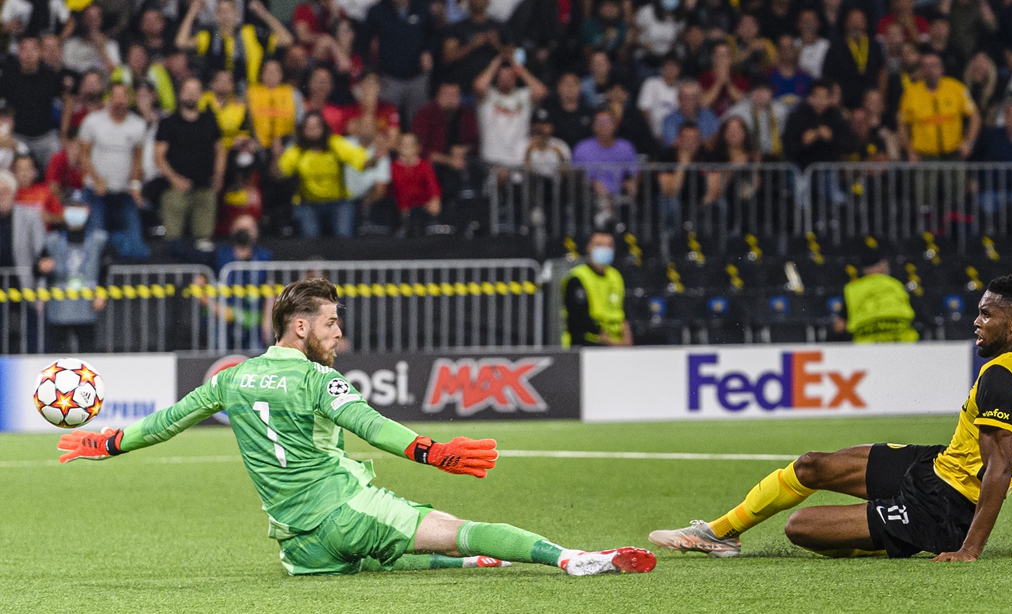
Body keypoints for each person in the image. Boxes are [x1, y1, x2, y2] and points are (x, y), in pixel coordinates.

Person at [57, 277, 657, 577]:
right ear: (298, 328)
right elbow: (372, 426)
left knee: (394, 553)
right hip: (342, 513)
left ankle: (469, 564)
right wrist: (434, 451)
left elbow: (162, 424)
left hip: (298, 547)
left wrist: (106, 441)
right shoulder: (318, 382)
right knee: (459, 528)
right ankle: (575, 558)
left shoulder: (230, 379)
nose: (339, 332)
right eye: (331, 322)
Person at [650, 276, 1012, 564]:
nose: (977, 322)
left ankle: (901, 531)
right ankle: (721, 534)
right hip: (937, 467)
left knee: (801, 528)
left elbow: (998, 468)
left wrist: (971, 549)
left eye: (987, 315)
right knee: (813, 463)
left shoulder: (1001, 376)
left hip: (946, 508)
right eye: (978, 312)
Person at [78, 82, 149, 259]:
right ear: (109, 99)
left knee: (137, 248)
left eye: (123, 96)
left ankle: (116, 244)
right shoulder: (92, 122)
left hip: (124, 192)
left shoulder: (138, 125)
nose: (119, 101)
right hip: (96, 192)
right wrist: (96, 180)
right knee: (96, 241)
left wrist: (135, 185)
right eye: (115, 96)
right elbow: (83, 156)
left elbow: (137, 159)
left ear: (129, 99)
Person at [155, 78, 225, 252]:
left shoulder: (209, 120)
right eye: (188, 90)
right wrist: (174, 179)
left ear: (201, 95)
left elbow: (220, 149)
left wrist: (219, 174)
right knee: (173, 239)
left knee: (204, 241)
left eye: (196, 91)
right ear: (180, 94)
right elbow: (158, 156)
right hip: (175, 189)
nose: (192, 95)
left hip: (205, 187)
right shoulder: (169, 122)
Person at [276, 112, 370, 238]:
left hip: (338, 202)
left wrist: (374, 159)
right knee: (310, 237)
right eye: (309, 128)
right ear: (303, 130)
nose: (313, 131)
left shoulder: (335, 144)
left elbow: (361, 162)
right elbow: (279, 174)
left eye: (316, 126)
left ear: (323, 128)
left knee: (343, 236)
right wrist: (276, 157)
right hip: (308, 203)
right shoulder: (297, 150)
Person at [36, 191, 109, 354]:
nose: (75, 212)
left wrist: (101, 293)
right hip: (59, 306)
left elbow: (104, 270)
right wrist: (42, 267)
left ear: (87, 210)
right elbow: (38, 269)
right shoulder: (52, 239)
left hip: (86, 304)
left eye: (79, 207)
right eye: (71, 208)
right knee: (57, 351)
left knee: (87, 350)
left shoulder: (98, 239)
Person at [176, 0, 294, 85]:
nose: (225, 16)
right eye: (221, 12)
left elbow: (286, 39)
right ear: (216, 16)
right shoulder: (210, 36)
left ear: (236, 14)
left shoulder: (250, 32)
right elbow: (181, 42)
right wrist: (193, 11)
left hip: (249, 91)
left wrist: (263, 14)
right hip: (217, 93)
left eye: (228, 11)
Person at [363, 0, 434, 127]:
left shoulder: (421, 8)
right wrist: (372, 72)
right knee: (386, 122)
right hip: (389, 78)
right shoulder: (377, 11)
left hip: (416, 77)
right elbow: (365, 42)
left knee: (418, 123)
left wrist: (428, 51)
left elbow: (432, 36)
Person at [898, 52, 980, 162]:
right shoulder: (910, 94)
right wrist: (909, 150)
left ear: (941, 69)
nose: (929, 70)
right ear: (921, 70)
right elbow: (902, 124)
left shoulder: (956, 88)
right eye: (925, 66)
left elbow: (975, 116)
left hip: (954, 154)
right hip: (924, 157)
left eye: (933, 66)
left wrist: (969, 143)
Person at [473, 54, 548, 168]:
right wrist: (494, 65)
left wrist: (519, 68)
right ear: (496, 77)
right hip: (491, 159)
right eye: (502, 76)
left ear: (515, 77)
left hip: (518, 159)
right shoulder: (489, 95)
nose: (506, 79)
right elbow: (478, 86)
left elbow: (541, 92)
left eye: (509, 76)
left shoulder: (523, 95)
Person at [1, 36, 63, 170]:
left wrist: (63, 132)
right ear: (18, 53)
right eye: (24, 50)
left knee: (57, 162)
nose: (29, 54)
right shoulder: (8, 76)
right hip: (18, 135)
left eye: (33, 49)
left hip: (46, 135)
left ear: (40, 52)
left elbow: (68, 98)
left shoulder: (50, 76)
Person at [562, 230, 632, 347]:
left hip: (616, 343)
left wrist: (626, 340)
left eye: (609, 246)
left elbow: (624, 311)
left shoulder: (615, 276)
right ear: (588, 248)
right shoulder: (577, 278)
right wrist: (607, 340)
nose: (604, 250)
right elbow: (579, 318)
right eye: (599, 245)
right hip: (588, 342)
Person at [836, 251, 918, 342]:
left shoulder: (852, 289)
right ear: (881, 267)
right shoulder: (896, 285)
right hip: (902, 342)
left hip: (866, 345)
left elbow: (840, 326)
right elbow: (915, 313)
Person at [411, 81, 480, 188]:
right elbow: (420, 148)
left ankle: (474, 201)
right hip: (436, 161)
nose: (450, 99)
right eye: (446, 94)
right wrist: (448, 160)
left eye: (454, 95)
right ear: (437, 97)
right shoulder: (425, 114)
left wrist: (463, 150)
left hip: (462, 159)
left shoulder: (467, 114)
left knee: (477, 166)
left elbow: (475, 142)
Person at [822, 8, 885, 109]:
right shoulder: (836, 46)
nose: (856, 25)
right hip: (844, 103)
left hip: (871, 104)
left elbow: (882, 71)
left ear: (865, 23)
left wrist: (881, 97)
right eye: (853, 21)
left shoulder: (874, 45)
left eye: (860, 21)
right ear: (846, 23)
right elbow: (827, 75)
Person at [0, 169, 48, 293]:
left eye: (5, 192)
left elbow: (41, 254)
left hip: (23, 286)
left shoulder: (30, 217)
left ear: (13, 193)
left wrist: (41, 289)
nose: (1, 197)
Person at [723, 78, 790, 160]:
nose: (760, 94)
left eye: (764, 90)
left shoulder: (781, 111)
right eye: (756, 90)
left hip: (777, 158)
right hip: (749, 158)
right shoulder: (739, 111)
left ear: (771, 93)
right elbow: (723, 127)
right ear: (749, 93)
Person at [246, 60, 304, 148]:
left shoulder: (293, 94)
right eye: (268, 71)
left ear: (281, 74)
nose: (271, 74)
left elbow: (300, 121)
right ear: (261, 74)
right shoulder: (250, 94)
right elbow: (246, 121)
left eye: (275, 71)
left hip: (287, 144)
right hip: (255, 144)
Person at [391, 133, 442, 231]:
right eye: (403, 144)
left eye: (410, 144)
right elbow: (395, 190)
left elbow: (433, 186)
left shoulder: (424, 165)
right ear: (398, 147)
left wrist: (435, 200)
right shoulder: (393, 167)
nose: (406, 147)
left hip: (423, 210)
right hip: (401, 212)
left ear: (417, 148)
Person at [660, 80, 719, 147]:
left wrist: (686, 141)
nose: (688, 101)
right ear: (678, 99)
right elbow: (672, 144)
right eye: (684, 97)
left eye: (692, 98)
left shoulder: (709, 116)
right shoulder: (669, 120)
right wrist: (702, 142)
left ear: (698, 99)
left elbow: (715, 141)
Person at [546, 73, 595, 150]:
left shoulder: (589, 113)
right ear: (558, 88)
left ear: (580, 88)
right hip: (557, 154)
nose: (570, 88)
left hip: (584, 156)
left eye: (573, 84)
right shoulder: (549, 113)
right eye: (566, 85)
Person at [637, 58, 681, 142]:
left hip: (675, 135)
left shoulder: (682, 88)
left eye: (673, 67)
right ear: (662, 69)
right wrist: (652, 133)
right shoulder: (651, 83)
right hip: (653, 133)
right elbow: (643, 110)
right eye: (667, 67)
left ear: (679, 70)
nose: (670, 70)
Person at [796, 9, 831, 79]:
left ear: (818, 23)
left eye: (812, 21)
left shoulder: (827, 46)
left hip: (820, 85)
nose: (809, 24)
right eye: (805, 21)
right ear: (799, 24)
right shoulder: (793, 45)